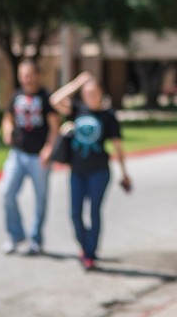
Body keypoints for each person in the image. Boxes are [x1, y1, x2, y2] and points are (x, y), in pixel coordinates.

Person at [50, 71, 131, 271]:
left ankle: (89, 253)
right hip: (77, 171)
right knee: (75, 214)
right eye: (87, 92)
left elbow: (118, 147)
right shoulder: (77, 110)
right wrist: (78, 82)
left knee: (94, 211)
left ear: (101, 93)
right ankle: (84, 246)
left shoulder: (109, 116)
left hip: (99, 171)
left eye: (94, 92)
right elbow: (55, 100)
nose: (90, 95)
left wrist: (124, 172)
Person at [1, 60, 59, 255]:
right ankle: (16, 236)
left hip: (38, 157)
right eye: (22, 74)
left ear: (37, 75)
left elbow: (54, 126)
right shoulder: (16, 95)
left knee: (40, 199)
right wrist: (7, 130)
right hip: (17, 154)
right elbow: (7, 118)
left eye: (29, 74)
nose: (26, 78)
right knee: (7, 193)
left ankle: (36, 240)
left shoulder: (46, 97)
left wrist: (48, 149)